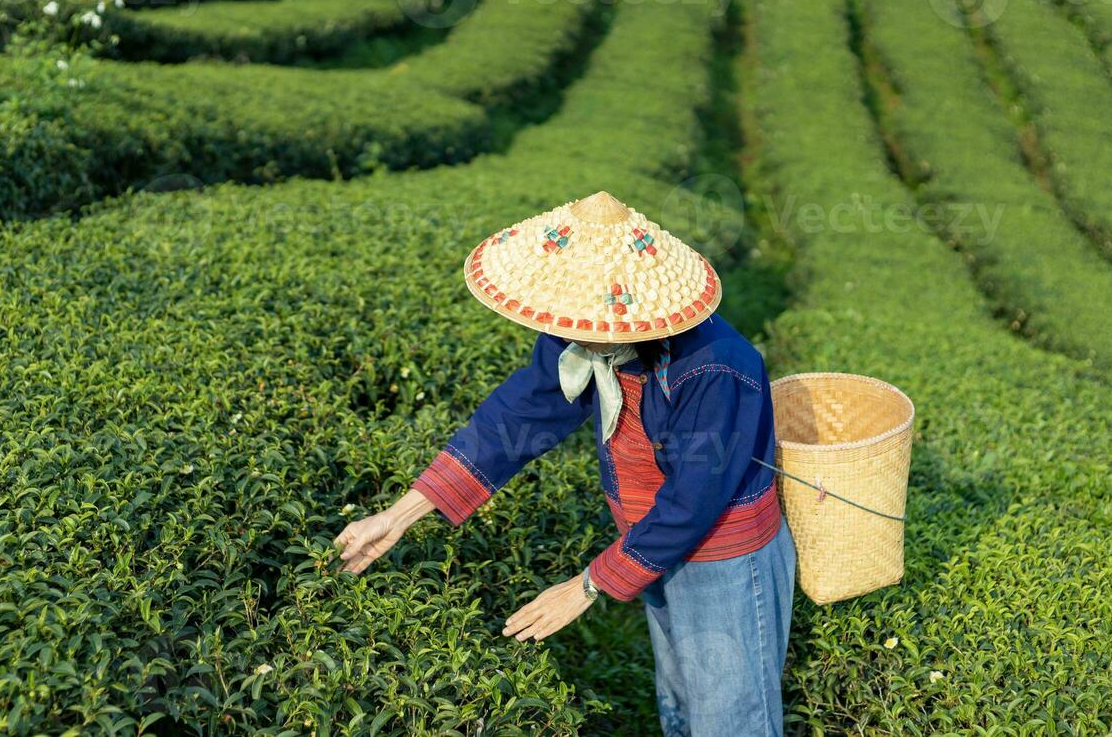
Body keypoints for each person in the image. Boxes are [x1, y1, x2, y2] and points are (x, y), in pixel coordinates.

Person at [334, 191, 797, 736]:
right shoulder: (585, 334)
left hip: (722, 553)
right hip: (651, 541)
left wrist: (585, 587)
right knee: (682, 702)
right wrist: (398, 515)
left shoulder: (714, 367)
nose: (567, 336)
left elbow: (694, 500)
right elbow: (515, 418)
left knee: (729, 716)